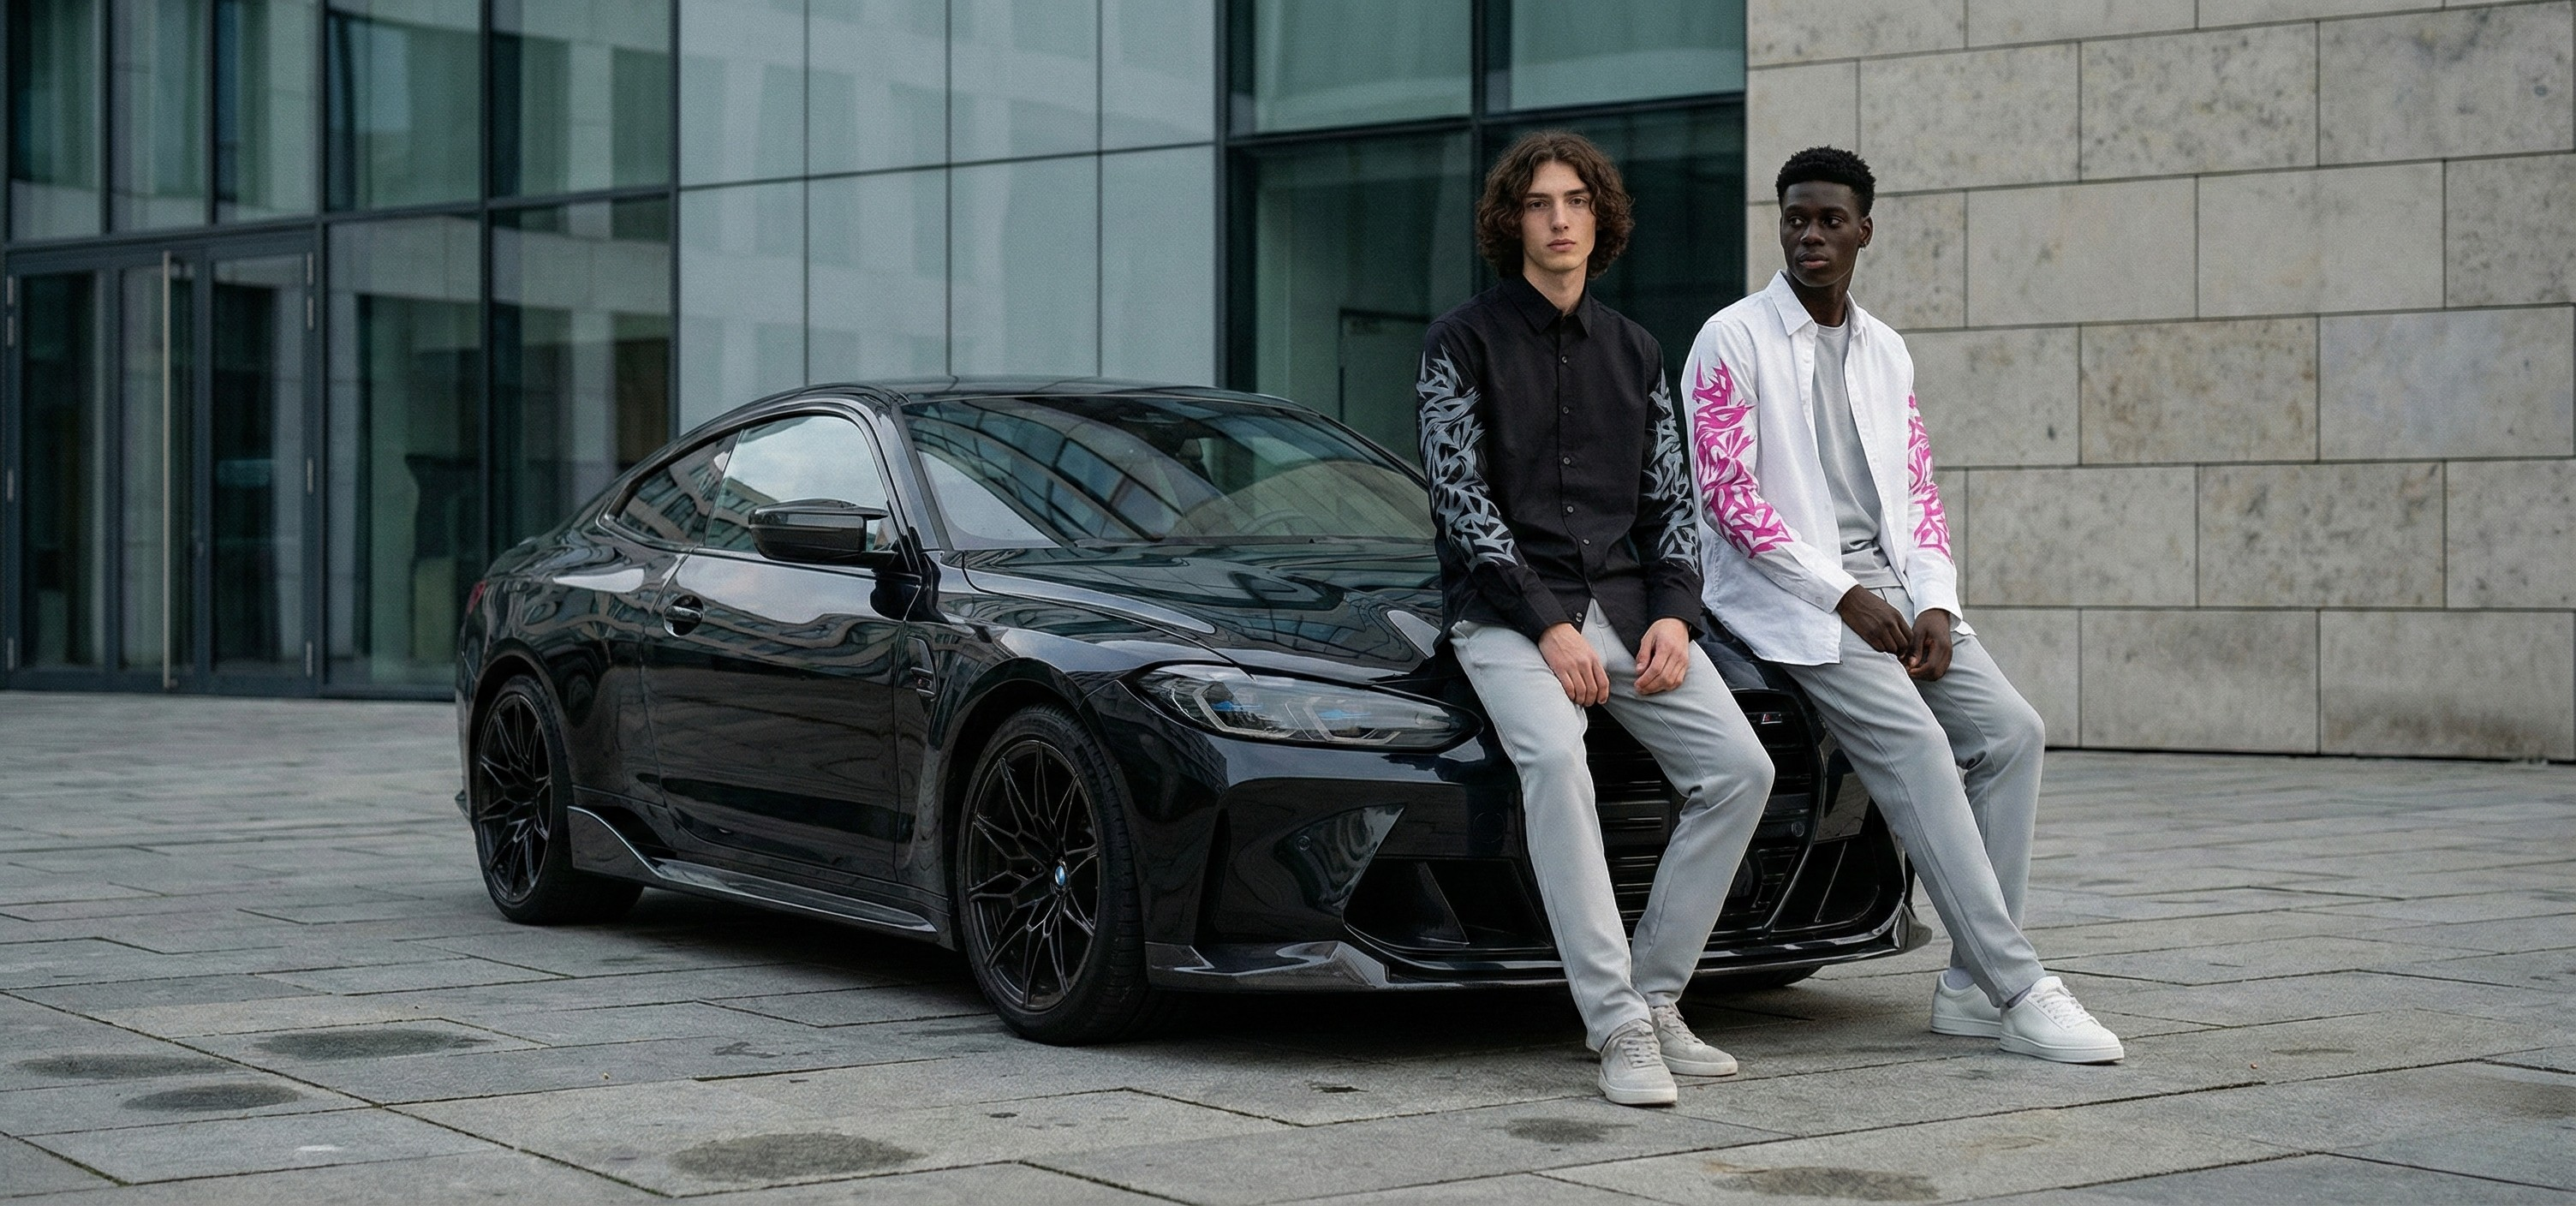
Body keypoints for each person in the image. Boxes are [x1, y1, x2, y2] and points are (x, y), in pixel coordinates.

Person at [1683, 146, 2122, 1064]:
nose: (1810, 235)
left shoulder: (1885, 350)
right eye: (1795, 218)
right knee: (1918, 747)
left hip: (1890, 589)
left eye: (1829, 221)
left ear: (1864, 232)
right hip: (1791, 598)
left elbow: (1915, 492)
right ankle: (2018, 986)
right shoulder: (1731, 337)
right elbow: (1726, 497)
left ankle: (1966, 986)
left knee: (2011, 732)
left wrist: (1935, 601)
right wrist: (1841, 593)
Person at [1416, 130, 1777, 1107]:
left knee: (1740, 770)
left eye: (1575, 200)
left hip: (1624, 607)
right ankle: (1614, 1024)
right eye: (1538, 203)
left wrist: (1676, 617)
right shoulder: (1458, 342)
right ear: (1512, 222)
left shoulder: (1637, 351)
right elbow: (1459, 502)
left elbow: (1672, 504)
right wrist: (1545, 624)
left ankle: (1654, 996)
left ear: (1599, 217)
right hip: (1505, 614)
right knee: (1555, 761)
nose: (1559, 219)